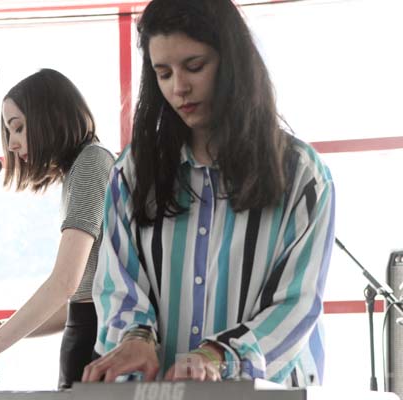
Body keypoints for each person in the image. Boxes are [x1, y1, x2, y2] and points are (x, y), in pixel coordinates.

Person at [82, 0, 335, 387]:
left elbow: (295, 306)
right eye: (163, 73)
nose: (178, 87)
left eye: (194, 67)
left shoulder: (302, 176)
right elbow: (120, 285)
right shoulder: (132, 174)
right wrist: (135, 338)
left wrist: (219, 355)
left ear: (232, 62)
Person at [0, 68, 115, 389]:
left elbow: (64, 283)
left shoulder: (91, 162)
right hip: (84, 334)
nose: (12, 144)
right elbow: (72, 304)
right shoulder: (78, 170)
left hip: (96, 342)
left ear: (49, 115)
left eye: (17, 128)